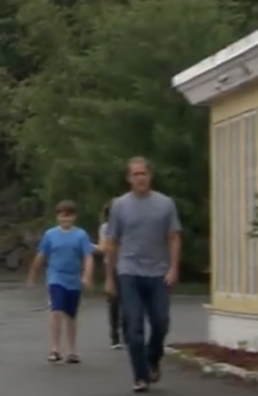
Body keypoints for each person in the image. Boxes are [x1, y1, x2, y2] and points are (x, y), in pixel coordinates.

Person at [105, 157, 182, 393]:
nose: (140, 178)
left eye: (144, 174)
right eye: (136, 174)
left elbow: (174, 236)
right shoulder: (119, 205)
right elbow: (112, 242)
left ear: (150, 176)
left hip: (158, 272)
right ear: (129, 178)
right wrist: (110, 276)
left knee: (161, 322)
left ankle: (153, 359)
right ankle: (140, 376)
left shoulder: (165, 204)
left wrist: (173, 267)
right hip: (129, 271)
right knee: (133, 327)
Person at [27, 200, 94, 364]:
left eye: (69, 216)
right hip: (56, 276)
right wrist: (33, 274)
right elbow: (41, 255)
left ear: (74, 217)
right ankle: (54, 349)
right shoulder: (50, 235)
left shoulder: (81, 235)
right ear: (57, 217)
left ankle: (72, 351)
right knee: (56, 310)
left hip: (73, 278)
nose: (66, 220)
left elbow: (88, 257)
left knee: (71, 315)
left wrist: (87, 276)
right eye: (62, 216)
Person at [99, 198, 123, 349]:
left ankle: (129, 332)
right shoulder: (105, 227)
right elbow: (104, 247)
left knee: (130, 301)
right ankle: (115, 336)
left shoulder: (128, 224)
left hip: (129, 265)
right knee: (114, 301)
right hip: (112, 265)